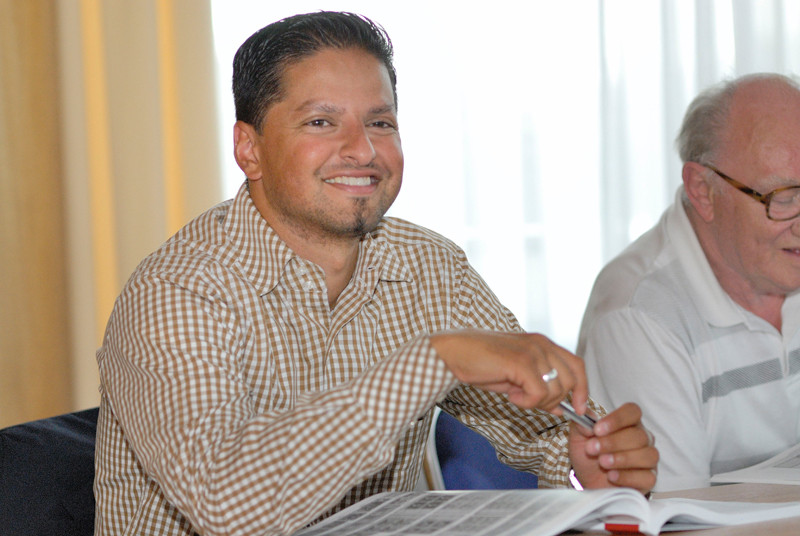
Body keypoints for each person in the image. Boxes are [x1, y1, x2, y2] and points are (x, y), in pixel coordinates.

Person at [94, 11, 657, 535]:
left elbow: (545, 427)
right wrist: (436, 360)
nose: (363, 150)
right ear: (249, 149)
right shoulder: (177, 289)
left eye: (380, 122)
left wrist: (588, 459)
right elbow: (226, 503)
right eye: (321, 122)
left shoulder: (428, 266)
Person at [577, 73, 800, 492]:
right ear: (702, 190)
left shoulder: (776, 259)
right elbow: (679, 514)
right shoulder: (639, 316)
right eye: (784, 197)